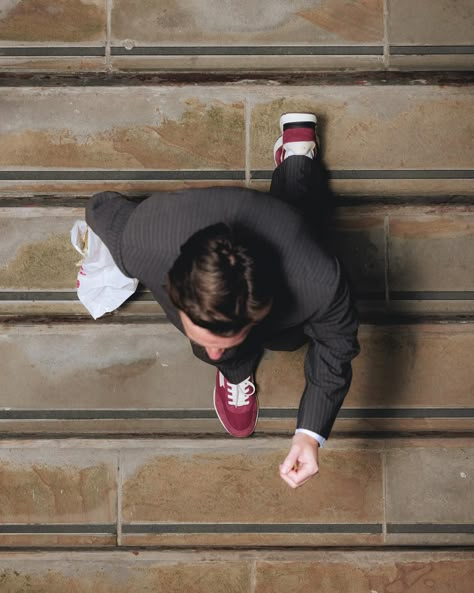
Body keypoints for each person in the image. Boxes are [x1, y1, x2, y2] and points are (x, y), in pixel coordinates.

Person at [86, 113, 360, 488]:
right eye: (205, 339)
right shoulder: (143, 237)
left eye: (222, 345)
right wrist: (104, 261)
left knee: (305, 234)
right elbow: (100, 208)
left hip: (294, 240)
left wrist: (309, 434)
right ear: (171, 285)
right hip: (192, 221)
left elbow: (336, 347)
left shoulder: (319, 279)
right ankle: (296, 157)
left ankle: (297, 163)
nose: (211, 354)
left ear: (263, 309)